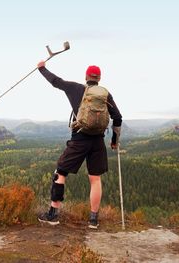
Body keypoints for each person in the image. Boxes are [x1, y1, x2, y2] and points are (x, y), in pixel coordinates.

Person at [37, 61, 122, 229]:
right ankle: (93, 220)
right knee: (95, 179)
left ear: (86, 77)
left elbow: (56, 81)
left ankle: (53, 215)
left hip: (79, 139)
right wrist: (114, 141)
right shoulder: (105, 94)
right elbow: (117, 117)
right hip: (98, 141)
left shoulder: (75, 88)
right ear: (99, 78)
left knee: (60, 173)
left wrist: (42, 68)